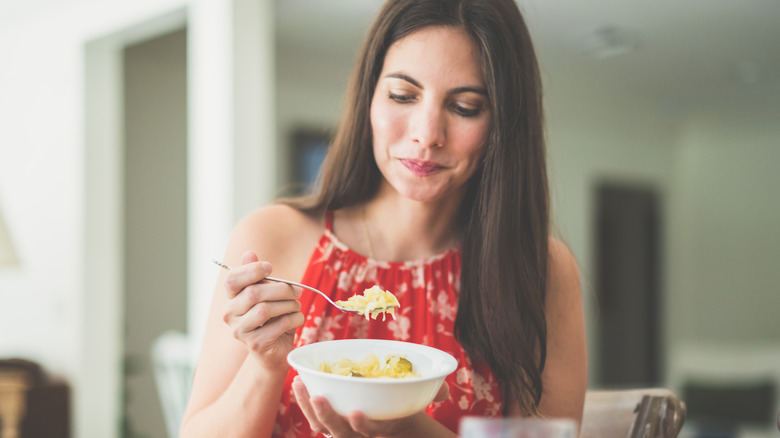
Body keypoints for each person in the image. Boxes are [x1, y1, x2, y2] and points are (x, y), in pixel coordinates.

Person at [180, 0, 588, 436]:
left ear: (503, 125)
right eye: (402, 95)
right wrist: (265, 366)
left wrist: (410, 430)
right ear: (369, 97)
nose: (426, 134)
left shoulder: (542, 270)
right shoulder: (273, 237)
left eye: (465, 106)